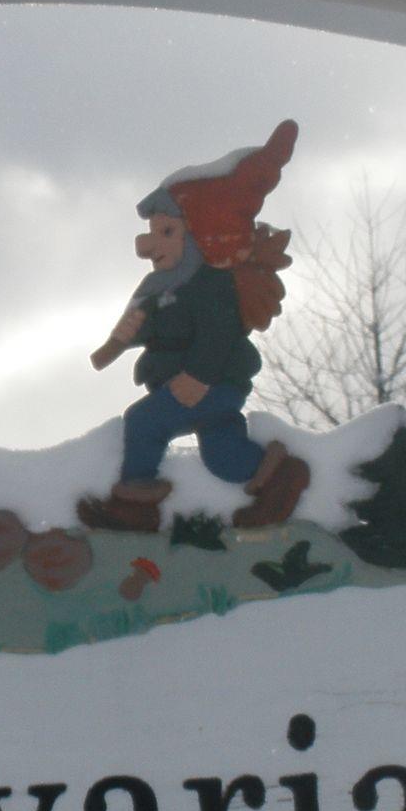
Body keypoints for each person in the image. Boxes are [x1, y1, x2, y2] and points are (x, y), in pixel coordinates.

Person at [78, 120, 311, 534]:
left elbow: (218, 333)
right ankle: (277, 480)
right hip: (205, 386)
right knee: (222, 456)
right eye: (152, 233)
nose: (149, 245)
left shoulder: (207, 286)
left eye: (166, 231)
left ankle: (134, 508)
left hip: (211, 383)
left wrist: (198, 377)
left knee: (145, 422)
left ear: (196, 238)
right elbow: (162, 329)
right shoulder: (167, 291)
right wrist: (127, 337)